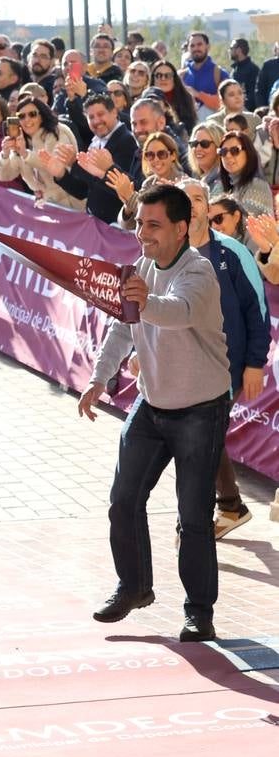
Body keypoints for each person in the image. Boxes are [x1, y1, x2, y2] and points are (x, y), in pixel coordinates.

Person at [79, 183, 231, 642]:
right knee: (123, 500)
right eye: (140, 224)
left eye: (154, 225)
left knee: (194, 516)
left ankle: (199, 612)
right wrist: (99, 378)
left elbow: (177, 312)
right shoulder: (142, 267)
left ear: (182, 229)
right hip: (151, 404)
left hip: (201, 410)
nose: (142, 233)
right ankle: (134, 587)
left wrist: (144, 300)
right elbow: (122, 327)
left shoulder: (199, 271)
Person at [177, 179, 270, 540]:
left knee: (199, 437)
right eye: (184, 200)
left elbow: (257, 310)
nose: (192, 206)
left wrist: (255, 363)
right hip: (180, 366)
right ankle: (230, 506)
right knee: (202, 437)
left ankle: (196, 520)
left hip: (225, 369)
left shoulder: (233, 252)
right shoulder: (166, 251)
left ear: (207, 207)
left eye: (198, 199)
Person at [41, 92, 137, 224]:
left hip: (115, 227)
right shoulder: (96, 142)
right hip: (95, 225)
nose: (96, 121)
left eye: (101, 114)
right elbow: (84, 191)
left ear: (114, 112)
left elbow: (118, 189)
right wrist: (61, 175)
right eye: (91, 117)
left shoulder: (127, 141)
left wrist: (75, 164)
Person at [0, 94, 84, 209]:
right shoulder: (21, 140)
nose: (27, 119)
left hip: (71, 202)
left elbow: (55, 165)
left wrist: (25, 154)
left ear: (42, 116)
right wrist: (5, 154)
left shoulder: (58, 131)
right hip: (47, 205)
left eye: (32, 114)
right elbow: (4, 176)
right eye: (21, 116)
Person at [179, 31, 229, 122]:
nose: (196, 48)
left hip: (213, 127)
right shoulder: (181, 76)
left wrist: (198, 94)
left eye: (199, 44)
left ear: (208, 47)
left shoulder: (219, 74)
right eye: (192, 46)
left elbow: (226, 103)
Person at [186, 120, 225, 193]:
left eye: (205, 144)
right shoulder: (197, 178)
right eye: (194, 143)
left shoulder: (223, 181)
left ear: (219, 147)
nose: (198, 148)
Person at [229, 38, 259, 112]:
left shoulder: (253, 70)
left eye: (231, 48)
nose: (229, 51)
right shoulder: (235, 70)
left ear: (239, 50)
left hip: (247, 113)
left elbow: (253, 95)